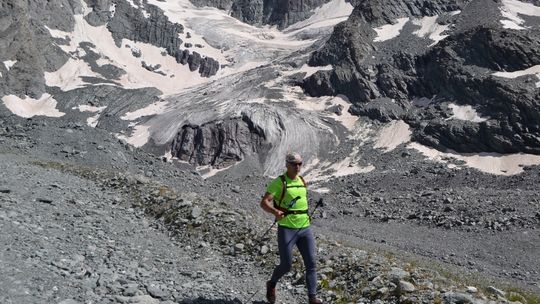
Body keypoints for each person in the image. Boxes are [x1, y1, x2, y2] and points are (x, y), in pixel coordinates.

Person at [259, 152, 322, 304]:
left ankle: (312, 298)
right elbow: (264, 202)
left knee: (311, 263)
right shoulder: (280, 182)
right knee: (286, 265)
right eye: (294, 164)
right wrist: (275, 211)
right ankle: (272, 283)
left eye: (300, 163)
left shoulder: (301, 180)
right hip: (287, 228)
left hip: (305, 228)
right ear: (287, 165)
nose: (297, 166)